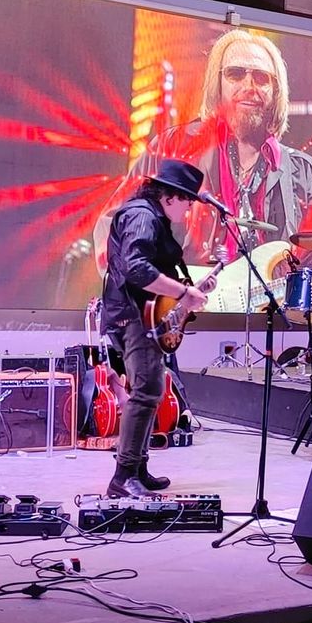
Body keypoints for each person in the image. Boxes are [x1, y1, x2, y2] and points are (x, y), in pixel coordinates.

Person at [101, 160, 219, 498]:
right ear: (169, 196)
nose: (189, 209)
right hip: (132, 317)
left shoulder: (152, 216)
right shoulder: (142, 215)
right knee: (146, 392)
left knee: (150, 391)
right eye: (187, 201)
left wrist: (189, 291)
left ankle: (137, 468)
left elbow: (154, 273)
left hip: (142, 316)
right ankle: (123, 476)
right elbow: (136, 269)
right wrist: (183, 293)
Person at [151, 29, 312, 262]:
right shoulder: (173, 147)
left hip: (268, 285)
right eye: (235, 74)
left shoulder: (303, 172)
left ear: (276, 92)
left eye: (261, 77)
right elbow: (121, 227)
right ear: (217, 84)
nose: (249, 86)